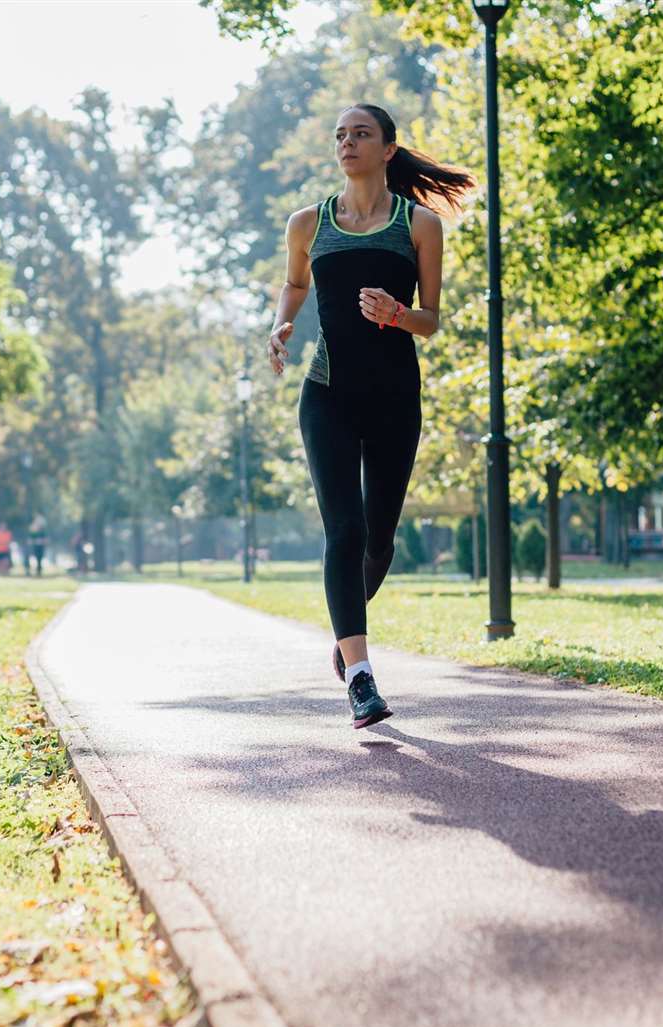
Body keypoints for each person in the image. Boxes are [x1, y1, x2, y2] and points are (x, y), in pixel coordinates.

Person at [266, 102, 472, 729]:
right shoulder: (308, 223)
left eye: (361, 134)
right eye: (340, 135)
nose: (347, 142)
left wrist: (396, 314)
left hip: (394, 397)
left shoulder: (420, 225)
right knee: (345, 533)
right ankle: (360, 677)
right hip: (327, 393)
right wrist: (281, 322)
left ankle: (343, 627)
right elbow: (296, 284)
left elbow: (431, 321)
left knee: (379, 543)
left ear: (387, 148)